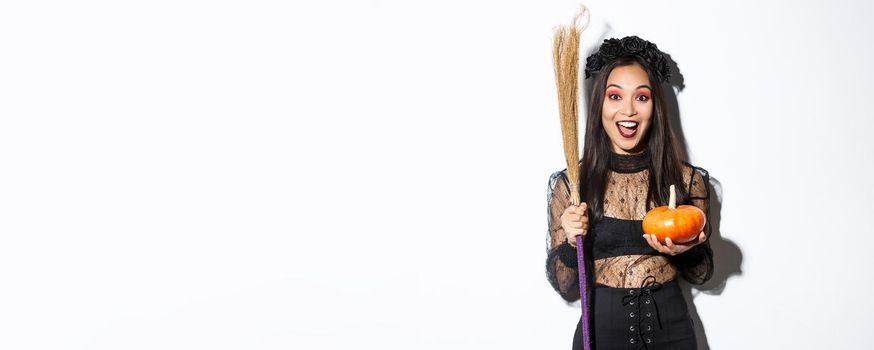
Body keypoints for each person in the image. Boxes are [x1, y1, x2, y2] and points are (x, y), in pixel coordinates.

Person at [545, 35, 714, 349]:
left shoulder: (685, 180)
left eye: (641, 97)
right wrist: (571, 242)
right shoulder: (572, 184)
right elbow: (566, 287)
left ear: (655, 107)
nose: (628, 111)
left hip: (672, 335)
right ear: (600, 105)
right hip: (600, 335)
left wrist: (687, 250)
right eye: (615, 96)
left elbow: (703, 273)